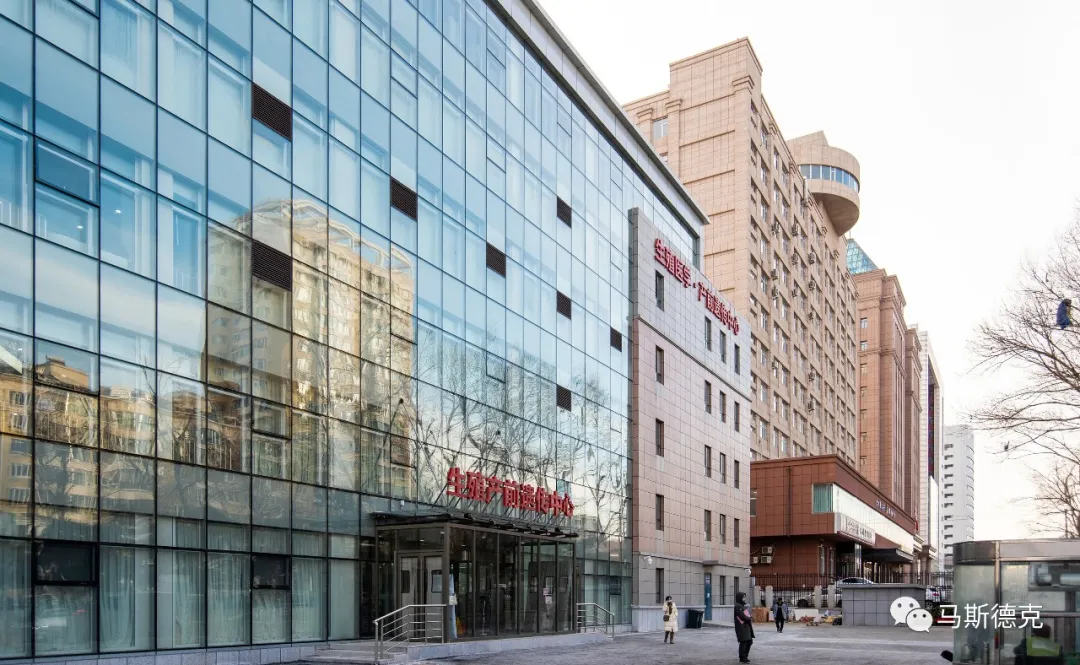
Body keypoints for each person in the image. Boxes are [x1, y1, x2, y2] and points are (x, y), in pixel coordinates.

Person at [734, 591, 755, 663]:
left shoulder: (742, 606)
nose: (744, 599)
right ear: (740, 597)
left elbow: (746, 614)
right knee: (744, 641)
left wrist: (750, 617)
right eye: (743, 597)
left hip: (745, 626)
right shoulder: (737, 606)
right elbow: (742, 616)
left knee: (749, 641)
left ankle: (744, 656)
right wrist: (749, 619)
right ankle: (742, 657)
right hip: (741, 627)